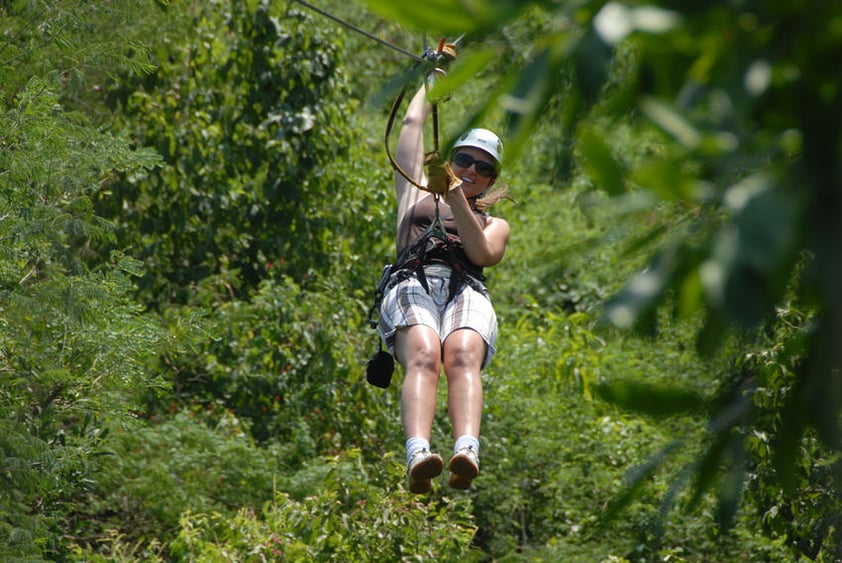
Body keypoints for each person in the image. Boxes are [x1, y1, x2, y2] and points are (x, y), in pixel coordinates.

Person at [377, 79, 511, 494]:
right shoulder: (414, 194)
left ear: (490, 181)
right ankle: (418, 454)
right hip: (411, 281)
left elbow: (482, 253)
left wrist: (455, 196)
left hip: (464, 288)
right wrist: (429, 82)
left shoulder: (495, 224)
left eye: (483, 167)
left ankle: (466, 451)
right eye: (464, 160)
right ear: (451, 160)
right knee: (423, 353)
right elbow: (414, 125)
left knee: (463, 355)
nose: (472, 170)